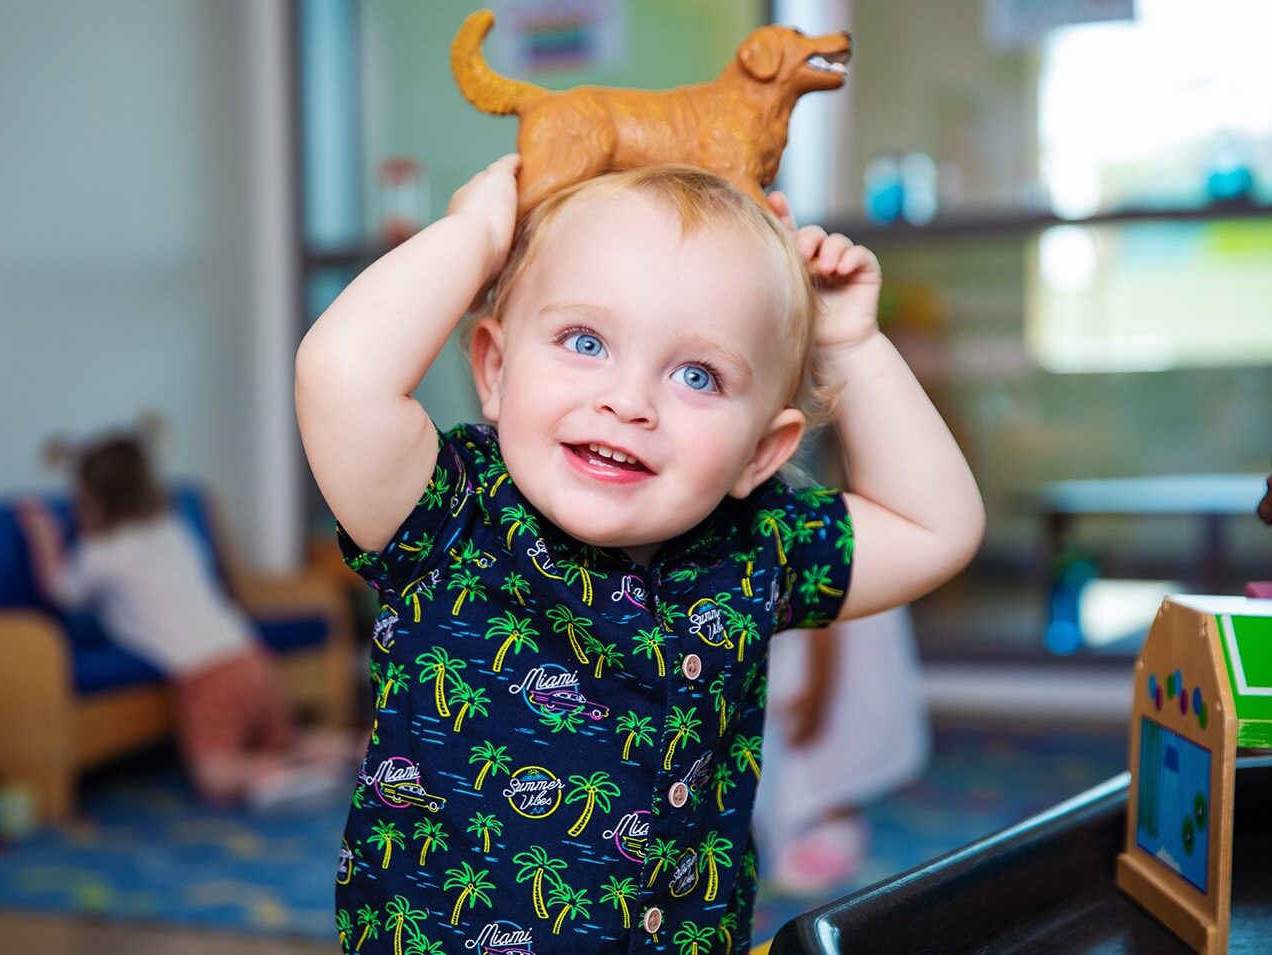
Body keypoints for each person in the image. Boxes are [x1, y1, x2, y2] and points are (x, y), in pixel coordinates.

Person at [297, 156, 983, 953]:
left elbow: (937, 527)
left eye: (697, 374)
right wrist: (476, 237)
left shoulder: (754, 547)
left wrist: (851, 345)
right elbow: (340, 375)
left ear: (762, 451)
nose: (628, 401)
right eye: (584, 340)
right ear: (495, 369)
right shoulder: (448, 512)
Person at [17, 428, 337, 808]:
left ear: (90, 501)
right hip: (250, 655)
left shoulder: (103, 551)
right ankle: (337, 752)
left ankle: (277, 773)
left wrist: (43, 535)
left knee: (214, 775)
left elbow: (62, 592)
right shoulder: (170, 530)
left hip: (207, 675)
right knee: (284, 737)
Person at [757, 608, 930, 895]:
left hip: (829, 649)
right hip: (812, 639)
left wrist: (816, 696)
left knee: (830, 736)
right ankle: (815, 816)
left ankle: (829, 818)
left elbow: (824, 624)